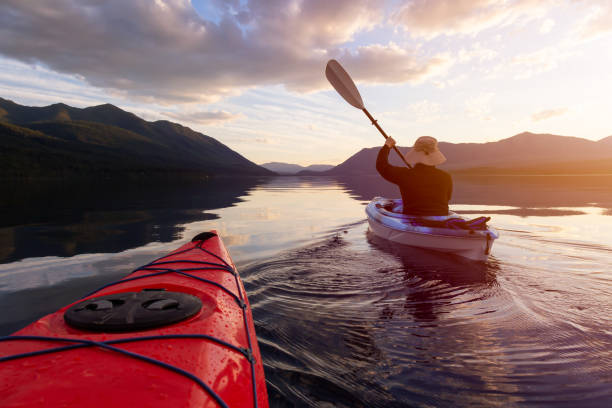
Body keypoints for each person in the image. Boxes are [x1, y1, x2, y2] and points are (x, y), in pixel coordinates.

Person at [376, 136, 452, 216]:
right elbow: (447, 198)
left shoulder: (404, 175)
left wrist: (387, 146)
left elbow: (381, 166)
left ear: (416, 154)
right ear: (434, 155)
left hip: (412, 221)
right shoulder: (446, 177)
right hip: (441, 220)